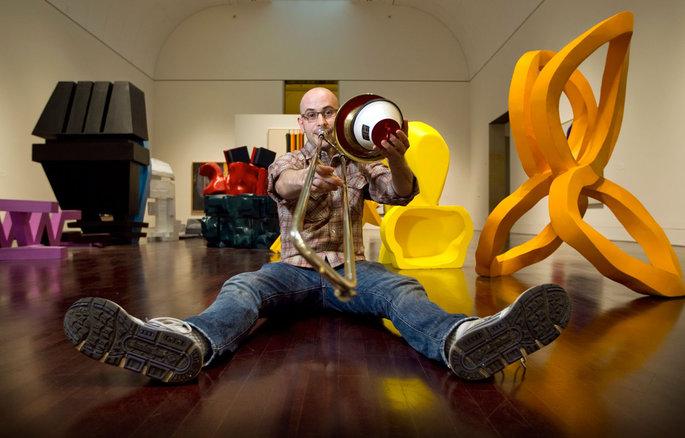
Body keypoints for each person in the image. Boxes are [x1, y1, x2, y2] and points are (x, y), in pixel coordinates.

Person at [63, 88, 571, 384]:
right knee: (242, 288)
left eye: (329, 111)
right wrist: (311, 178)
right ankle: (188, 342)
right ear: (301, 122)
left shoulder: (362, 161)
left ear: (340, 116)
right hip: (293, 270)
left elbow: (400, 194)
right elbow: (280, 186)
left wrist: (394, 153)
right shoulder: (288, 159)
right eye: (312, 113)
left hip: (349, 271)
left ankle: (460, 339)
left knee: (401, 289)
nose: (321, 120)